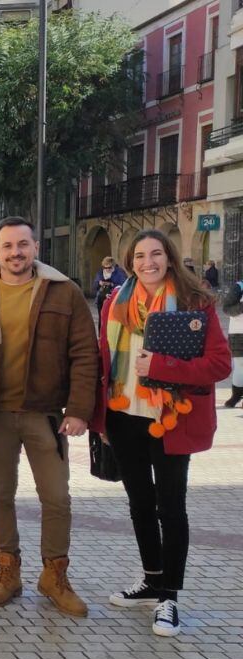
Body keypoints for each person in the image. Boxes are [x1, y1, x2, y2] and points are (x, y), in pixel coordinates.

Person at [91, 230, 230, 636]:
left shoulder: (194, 303)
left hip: (171, 420)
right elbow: (104, 363)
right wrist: (100, 420)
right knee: (139, 503)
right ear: (128, 261)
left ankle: (169, 596)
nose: (147, 262)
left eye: (155, 254)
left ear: (169, 258)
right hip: (124, 417)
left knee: (171, 507)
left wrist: (163, 368)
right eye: (138, 255)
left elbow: (219, 365)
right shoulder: (115, 303)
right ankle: (151, 579)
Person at [0, 216, 98, 618]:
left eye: (23, 245)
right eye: (7, 246)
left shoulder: (63, 292)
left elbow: (85, 353)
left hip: (45, 415)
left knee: (56, 496)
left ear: (36, 248)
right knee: (0, 495)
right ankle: (8, 572)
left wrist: (79, 410)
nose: (15, 253)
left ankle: (54, 574)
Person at [224, 279, 243, 408]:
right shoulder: (239, 286)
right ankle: (236, 395)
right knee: (240, 366)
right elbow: (226, 309)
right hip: (239, 333)